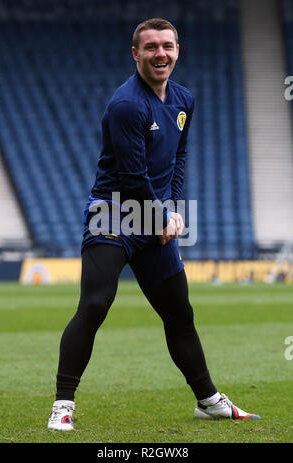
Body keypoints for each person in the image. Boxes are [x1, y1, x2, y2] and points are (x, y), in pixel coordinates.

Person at [47, 18, 260, 430]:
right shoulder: (127, 105)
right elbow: (131, 175)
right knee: (94, 305)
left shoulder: (183, 99)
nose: (160, 53)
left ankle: (208, 400)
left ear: (178, 49)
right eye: (151, 47)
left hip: (153, 216)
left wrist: (170, 207)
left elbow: (178, 157)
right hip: (113, 212)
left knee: (179, 314)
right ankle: (62, 406)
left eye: (167, 46)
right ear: (136, 54)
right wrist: (161, 215)